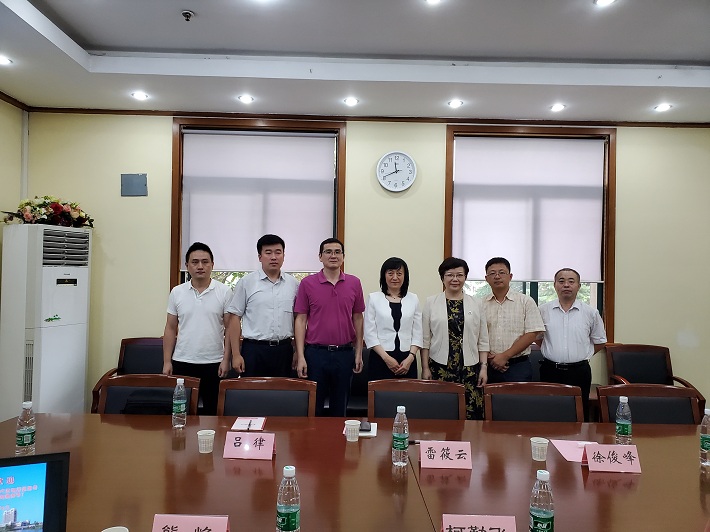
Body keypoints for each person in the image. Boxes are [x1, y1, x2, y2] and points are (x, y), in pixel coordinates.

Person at [294, 238, 365, 416]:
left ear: (343, 257)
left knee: (340, 409)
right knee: (313, 408)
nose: (333, 255)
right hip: (315, 354)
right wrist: (301, 356)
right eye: (328, 252)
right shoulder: (307, 284)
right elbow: (301, 320)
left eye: (337, 252)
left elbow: (358, 318)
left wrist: (358, 353)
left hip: (344, 354)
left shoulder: (354, 283)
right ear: (320, 256)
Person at [163, 242, 232, 415]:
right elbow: (170, 328)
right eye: (195, 262)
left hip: (214, 362)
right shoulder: (177, 292)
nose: (200, 266)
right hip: (182, 361)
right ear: (187, 266)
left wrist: (226, 359)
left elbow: (230, 329)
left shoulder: (224, 292)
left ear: (212, 265)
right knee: (182, 412)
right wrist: (167, 361)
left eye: (205, 262)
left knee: (212, 413)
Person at [421, 257, 489, 420]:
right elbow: (425, 339)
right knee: (441, 412)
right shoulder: (431, 302)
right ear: (442, 278)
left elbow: (483, 339)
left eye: (459, 275)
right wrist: (425, 368)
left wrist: (484, 367)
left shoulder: (476, 303)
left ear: (465, 277)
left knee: (470, 413)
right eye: (450, 275)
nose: (455, 279)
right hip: (440, 366)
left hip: (470, 368)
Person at [538, 267, 607, 421]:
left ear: (579, 286)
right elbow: (537, 337)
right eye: (561, 281)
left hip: (579, 372)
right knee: (549, 413)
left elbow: (600, 341)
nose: (566, 285)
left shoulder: (590, 312)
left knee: (579, 413)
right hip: (550, 370)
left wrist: (583, 354)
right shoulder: (542, 310)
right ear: (555, 285)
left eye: (571, 281)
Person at [227, 234, 299, 377]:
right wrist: (236, 354)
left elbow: (299, 320)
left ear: (284, 256)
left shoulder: (294, 284)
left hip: (284, 350)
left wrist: (298, 351)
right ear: (260, 257)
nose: (274, 257)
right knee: (252, 390)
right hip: (254, 350)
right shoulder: (246, 283)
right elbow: (234, 318)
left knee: (283, 390)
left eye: (278, 252)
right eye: (268, 253)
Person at [483, 257, 545, 383]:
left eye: (502, 272)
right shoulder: (480, 304)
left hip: (518, 366)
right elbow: (475, 334)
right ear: (486, 278)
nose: (497, 276)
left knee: (518, 396)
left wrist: (505, 356)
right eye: (492, 273)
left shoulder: (526, 301)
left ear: (510, 276)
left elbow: (532, 333)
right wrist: (489, 357)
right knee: (487, 396)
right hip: (487, 366)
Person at [364, 257, 423, 380]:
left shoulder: (413, 299)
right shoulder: (374, 298)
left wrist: (411, 357)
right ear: (384, 276)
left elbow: (418, 332)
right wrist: (386, 359)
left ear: (405, 276)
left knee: (407, 392)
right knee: (380, 392)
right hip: (380, 358)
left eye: (399, 273)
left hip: (407, 360)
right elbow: (369, 333)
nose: (395, 277)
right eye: (390, 273)